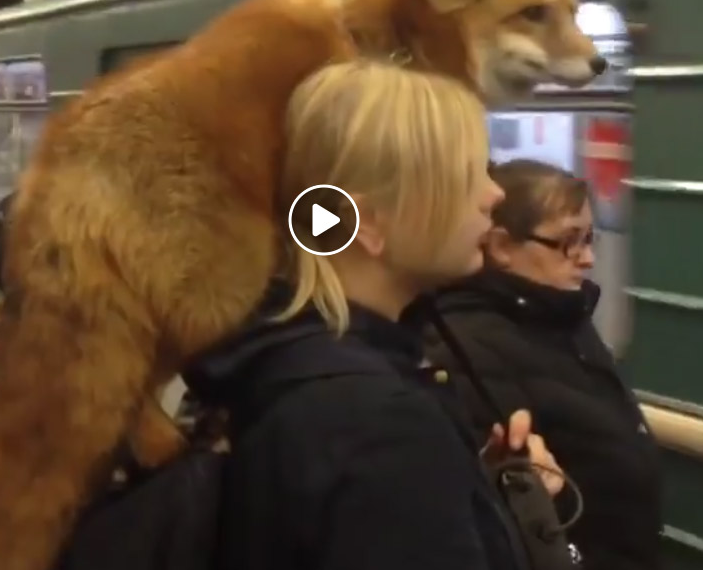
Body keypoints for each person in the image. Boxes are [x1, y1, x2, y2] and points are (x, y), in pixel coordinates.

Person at [186, 60, 564, 570]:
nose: (493, 194)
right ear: (367, 224)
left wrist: (469, 495)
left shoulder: (284, 361)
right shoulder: (382, 424)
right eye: (468, 174)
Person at [431, 158, 662, 570]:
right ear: (501, 247)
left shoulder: (563, 319)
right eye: (567, 241)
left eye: (590, 238)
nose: (587, 258)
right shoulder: (464, 350)